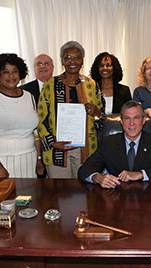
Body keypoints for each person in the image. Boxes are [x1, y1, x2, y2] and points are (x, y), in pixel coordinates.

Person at [38, 41, 105, 179]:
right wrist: (52, 142)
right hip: (57, 151)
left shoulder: (91, 85)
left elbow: (101, 120)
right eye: (68, 58)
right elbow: (40, 118)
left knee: (84, 194)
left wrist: (96, 113)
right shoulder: (50, 85)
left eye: (77, 57)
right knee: (60, 194)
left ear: (82, 61)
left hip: (86, 150)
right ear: (62, 61)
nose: (72, 61)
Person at [78, 100, 151, 188]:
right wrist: (98, 178)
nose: (131, 123)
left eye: (136, 118)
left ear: (143, 120)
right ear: (121, 121)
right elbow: (84, 170)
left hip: (147, 199)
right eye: (127, 118)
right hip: (116, 198)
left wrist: (140, 174)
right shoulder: (109, 143)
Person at [0, 53, 43, 179]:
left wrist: (39, 159)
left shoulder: (29, 96)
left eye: (15, 71)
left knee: (30, 197)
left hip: (29, 157)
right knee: (7, 198)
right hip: (2, 159)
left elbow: (34, 131)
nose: (11, 75)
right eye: (6, 72)